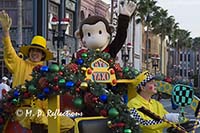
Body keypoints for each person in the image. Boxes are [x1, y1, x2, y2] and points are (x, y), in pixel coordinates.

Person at [0, 10, 74, 132]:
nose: (35, 53)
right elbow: (9, 53)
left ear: (43, 55)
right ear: (29, 52)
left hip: (44, 112)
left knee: (68, 122)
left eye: (39, 51)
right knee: (38, 116)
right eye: (33, 50)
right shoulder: (19, 64)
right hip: (20, 110)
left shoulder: (46, 73)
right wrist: (6, 32)